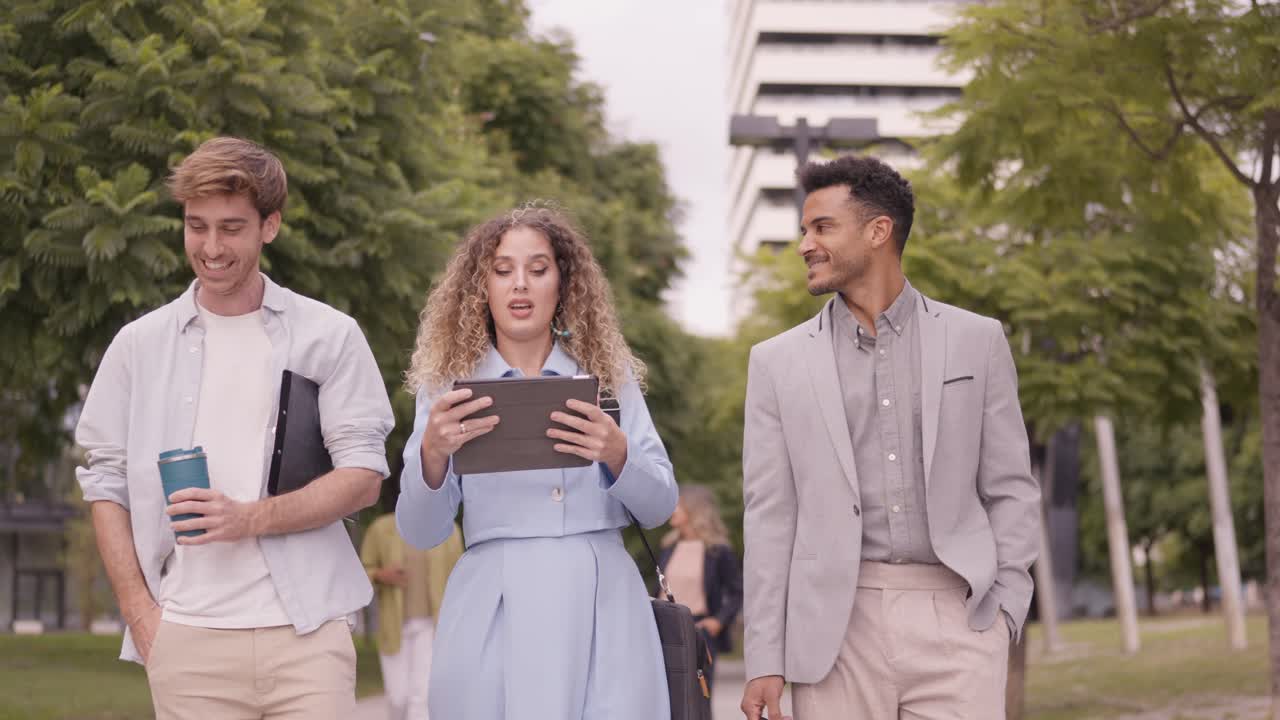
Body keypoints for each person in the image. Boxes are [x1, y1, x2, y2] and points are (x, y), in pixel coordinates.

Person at [75, 137, 395, 720]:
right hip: (187, 638)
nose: (211, 247)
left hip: (308, 638)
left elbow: (364, 474)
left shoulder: (330, 336)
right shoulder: (138, 346)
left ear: (269, 226)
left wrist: (249, 518)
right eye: (196, 227)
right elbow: (106, 485)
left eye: (231, 228)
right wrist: (141, 616)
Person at [739, 155, 1040, 720]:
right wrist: (764, 656)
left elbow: (1010, 487)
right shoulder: (775, 364)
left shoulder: (978, 341)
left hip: (959, 614)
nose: (805, 243)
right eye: (805, 229)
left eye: (822, 227)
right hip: (834, 629)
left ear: (879, 231)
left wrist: (1005, 608)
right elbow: (770, 515)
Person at [395, 205, 677, 720]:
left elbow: (660, 505)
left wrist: (617, 453)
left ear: (563, 283)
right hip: (493, 605)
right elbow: (419, 531)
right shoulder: (447, 390)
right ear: (482, 287)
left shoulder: (609, 380)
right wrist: (432, 455)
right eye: (502, 270)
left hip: (603, 605)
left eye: (538, 269)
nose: (519, 285)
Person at [361, 478, 464, 720]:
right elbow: (361, 573)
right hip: (392, 626)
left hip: (431, 626)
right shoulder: (381, 529)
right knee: (398, 697)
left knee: (421, 697)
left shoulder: (449, 531)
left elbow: (461, 579)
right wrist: (380, 574)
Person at [656, 484, 743, 692]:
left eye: (677, 504)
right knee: (667, 698)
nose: (671, 509)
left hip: (697, 631)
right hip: (664, 630)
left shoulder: (717, 551)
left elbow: (737, 591)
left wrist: (719, 620)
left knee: (698, 698)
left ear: (694, 510)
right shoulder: (669, 547)